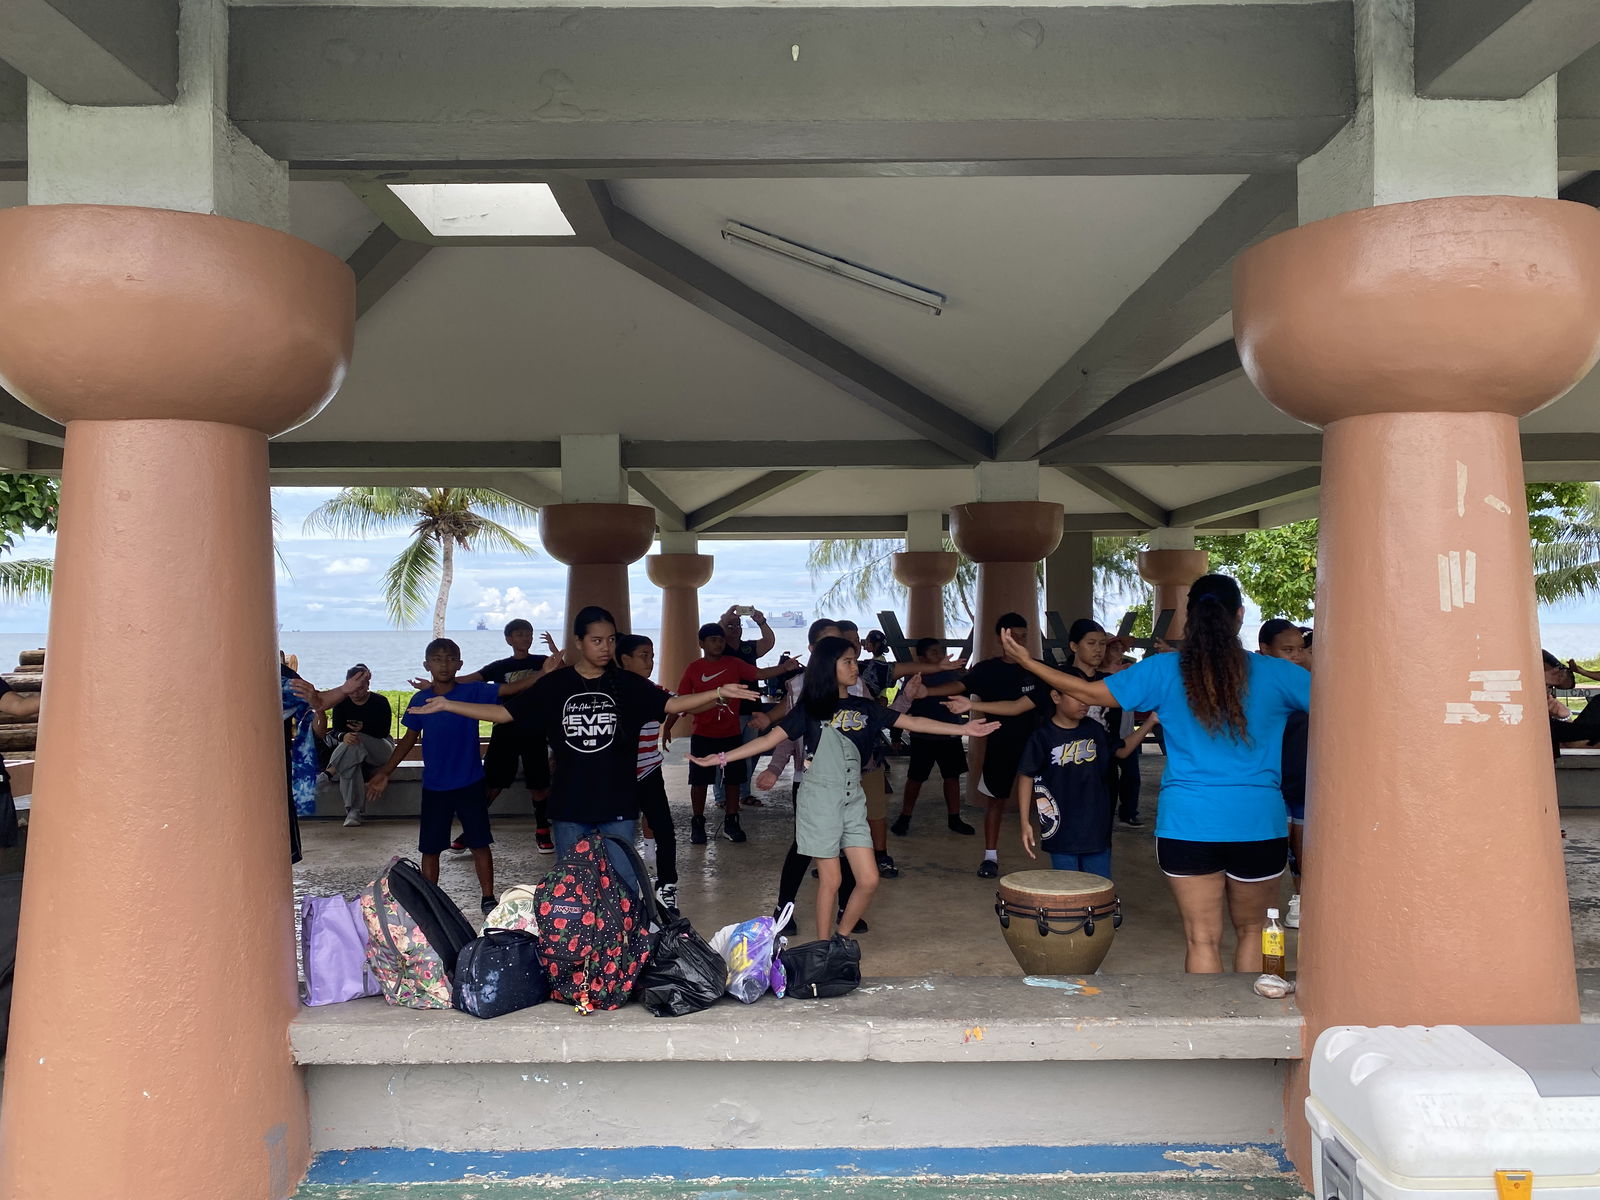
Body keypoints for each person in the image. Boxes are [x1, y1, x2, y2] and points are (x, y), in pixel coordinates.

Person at [1001, 574, 1310, 975]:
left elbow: (1091, 693)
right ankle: (1249, 1023)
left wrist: (1028, 662)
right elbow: (1345, 702)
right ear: (1239, 616)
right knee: (1254, 931)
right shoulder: (1278, 673)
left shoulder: (1164, 670)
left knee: (1201, 938)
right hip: (1257, 822)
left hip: (1187, 825)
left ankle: (1206, 1028)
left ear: (1189, 617)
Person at [407, 606, 759, 895]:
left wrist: (717, 693)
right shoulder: (556, 684)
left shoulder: (627, 683)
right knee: (574, 892)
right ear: (578, 642)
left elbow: (673, 704)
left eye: (610, 640)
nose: (605, 647)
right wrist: (449, 705)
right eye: (596, 640)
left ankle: (617, 964)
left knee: (621, 891)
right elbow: (504, 712)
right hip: (570, 808)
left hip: (618, 806)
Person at [693, 636, 999, 942]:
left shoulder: (864, 706)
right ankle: (824, 947)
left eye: (855, 660)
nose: (856, 667)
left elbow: (914, 721)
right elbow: (767, 741)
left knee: (868, 879)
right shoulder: (809, 708)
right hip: (819, 799)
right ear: (829, 667)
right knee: (832, 879)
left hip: (853, 799)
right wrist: (720, 758)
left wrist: (963, 728)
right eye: (848, 662)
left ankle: (840, 936)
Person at [923, 613, 1051, 879]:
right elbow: (958, 686)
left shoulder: (1039, 668)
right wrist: (925, 691)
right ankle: (990, 856)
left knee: (1051, 799)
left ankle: (1060, 854)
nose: (1019, 641)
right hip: (1001, 745)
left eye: (1023, 636)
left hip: (1039, 744)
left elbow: (1029, 703)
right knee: (996, 801)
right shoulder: (986, 669)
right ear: (1000, 637)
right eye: (1013, 636)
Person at [671, 623, 794, 845]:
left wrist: (784, 669)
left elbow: (760, 673)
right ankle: (697, 822)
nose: (718, 643)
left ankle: (731, 820)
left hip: (730, 733)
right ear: (702, 643)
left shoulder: (734, 663)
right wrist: (668, 726)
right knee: (699, 781)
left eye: (720, 639)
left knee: (733, 780)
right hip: (702, 734)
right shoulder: (693, 668)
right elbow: (680, 701)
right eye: (713, 640)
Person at [458, 619, 556, 854]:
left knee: (539, 784)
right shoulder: (499, 666)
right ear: (509, 639)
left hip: (535, 730)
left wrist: (555, 654)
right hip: (505, 730)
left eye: (529, 634)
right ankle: (472, 830)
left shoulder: (543, 662)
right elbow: (469, 680)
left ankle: (543, 831)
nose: (526, 638)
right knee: (492, 783)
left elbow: (570, 672)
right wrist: (435, 684)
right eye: (520, 634)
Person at [1012, 687, 1119, 877]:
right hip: (1060, 828)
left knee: (1099, 889)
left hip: (1095, 826)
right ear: (1055, 697)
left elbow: (1121, 753)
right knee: (1068, 888)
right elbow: (1026, 776)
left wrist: (1150, 722)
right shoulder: (1043, 736)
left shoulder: (1094, 730)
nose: (1084, 702)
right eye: (1077, 696)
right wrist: (1024, 821)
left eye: (1087, 696)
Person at [617, 633, 682, 915]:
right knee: (618, 833)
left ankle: (667, 886)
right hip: (617, 775)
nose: (650, 661)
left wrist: (718, 696)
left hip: (649, 771)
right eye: (644, 655)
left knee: (665, 828)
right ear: (624, 659)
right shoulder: (611, 692)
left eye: (652, 655)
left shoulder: (654, 690)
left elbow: (679, 703)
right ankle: (620, 889)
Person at [286, 661, 372, 864]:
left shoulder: (378, 702)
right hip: (346, 751)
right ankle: (351, 810)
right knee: (352, 757)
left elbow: (379, 730)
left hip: (372, 748)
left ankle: (328, 776)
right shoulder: (339, 705)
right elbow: (332, 728)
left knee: (356, 743)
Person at [891, 637, 975, 837]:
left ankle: (954, 818)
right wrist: (895, 736)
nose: (939, 655)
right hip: (923, 736)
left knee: (952, 777)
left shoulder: (952, 673)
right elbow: (901, 705)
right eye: (934, 652)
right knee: (915, 779)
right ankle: (905, 816)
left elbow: (963, 688)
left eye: (940, 651)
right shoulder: (915, 676)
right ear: (921, 657)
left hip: (950, 733)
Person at [1259, 619, 1310, 928]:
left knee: (1306, 853)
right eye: (1286, 650)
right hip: (1271, 784)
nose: (1295, 656)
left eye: (1299, 650)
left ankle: (1301, 902)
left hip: (1305, 784)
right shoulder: (1258, 690)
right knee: (1275, 853)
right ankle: (1271, 912)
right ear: (1264, 651)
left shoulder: (1311, 685)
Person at [321, 663, 394, 827]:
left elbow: (383, 731)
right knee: (352, 754)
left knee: (357, 738)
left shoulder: (379, 702)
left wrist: (363, 729)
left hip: (380, 748)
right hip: (351, 748)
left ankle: (329, 772)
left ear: (368, 686)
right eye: (352, 689)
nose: (356, 693)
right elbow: (336, 731)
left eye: (360, 689)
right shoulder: (342, 703)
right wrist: (344, 735)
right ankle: (353, 813)